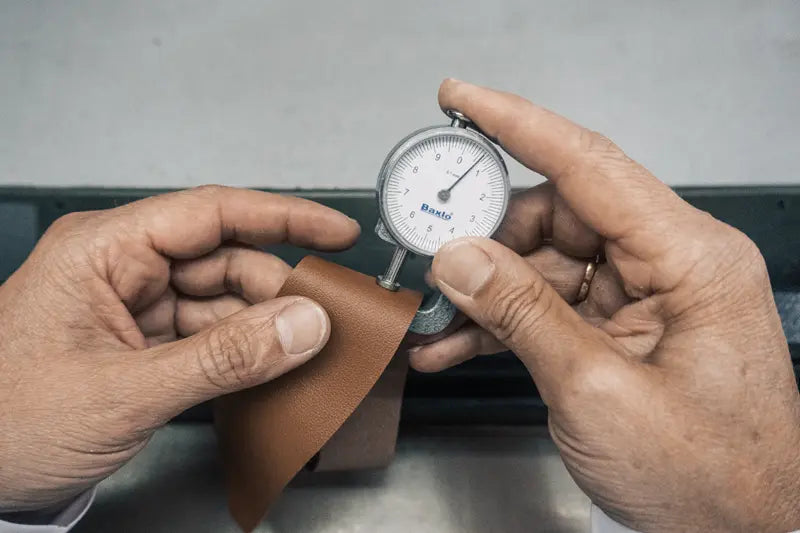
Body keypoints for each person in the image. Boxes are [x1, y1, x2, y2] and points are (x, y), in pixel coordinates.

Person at [0, 80, 797, 533]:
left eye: (458, 189)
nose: (445, 193)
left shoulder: (487, 247)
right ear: (405, 188)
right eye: (433, 185)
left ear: (483, 199)